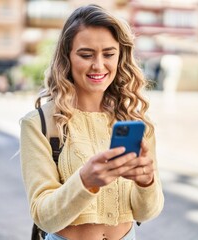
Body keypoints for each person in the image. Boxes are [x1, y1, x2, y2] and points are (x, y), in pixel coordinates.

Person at [20, 4, 164, 240]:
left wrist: (146, 181)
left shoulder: (137, 123)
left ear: (121, 56)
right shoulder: (38, 124)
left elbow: (147, 212)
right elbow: (42, 216)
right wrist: (85, 181)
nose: (98, 65)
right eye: (86, 55)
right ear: (67, 56)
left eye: (108, 54)